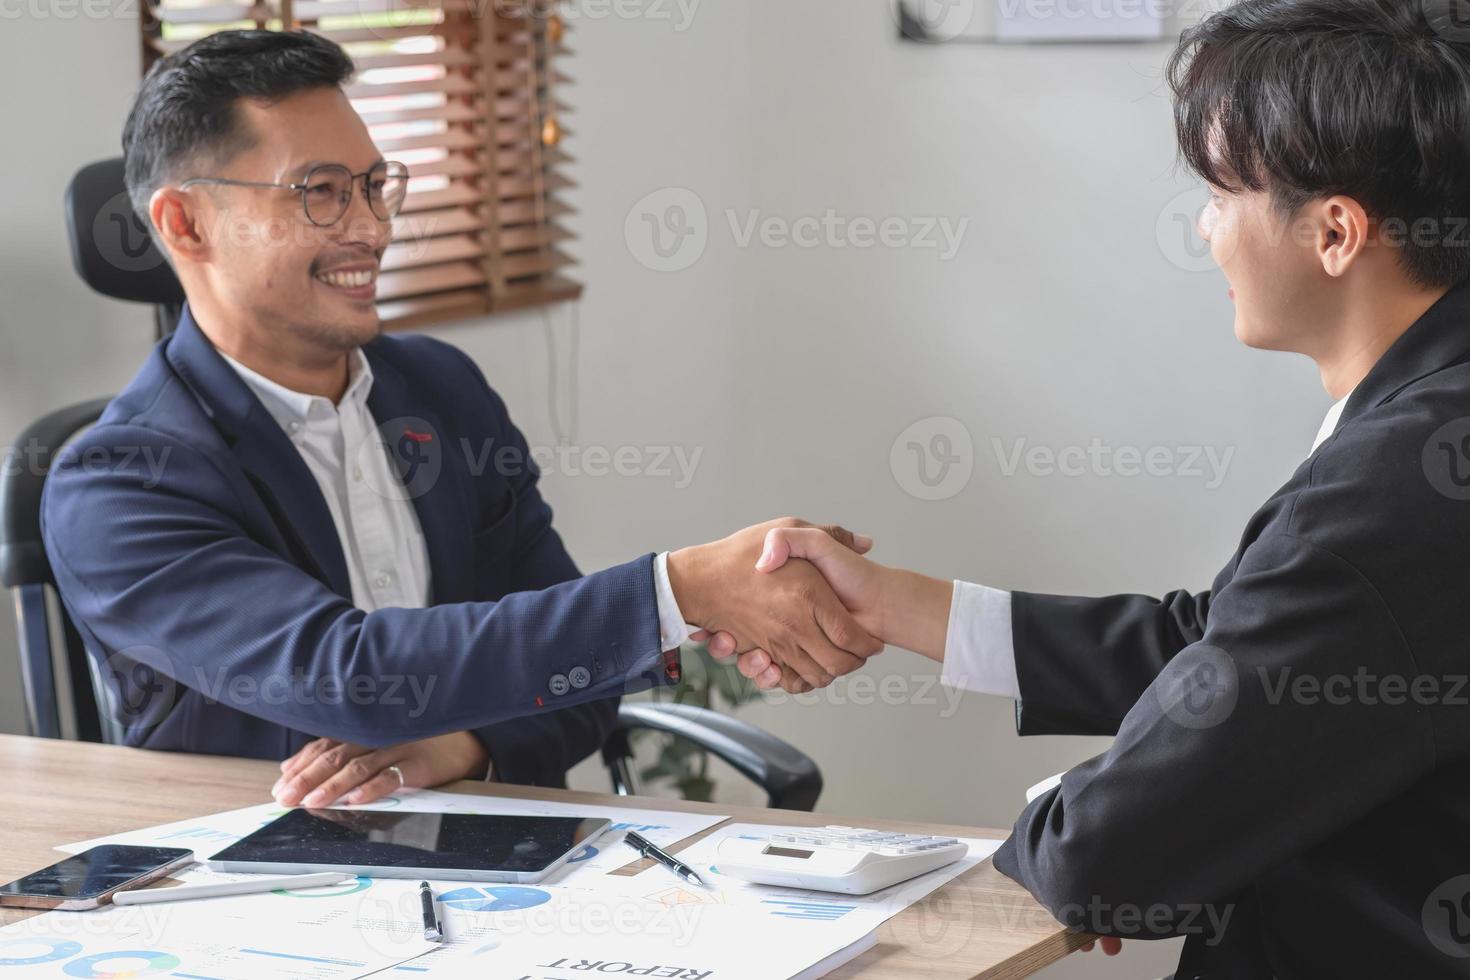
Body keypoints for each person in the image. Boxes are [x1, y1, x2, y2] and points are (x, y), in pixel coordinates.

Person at [733, 0, 1470, 975]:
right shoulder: (1427, 421)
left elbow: (1102, 855)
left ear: (1334, 231)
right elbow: (1233, 643)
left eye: (1221, 192)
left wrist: (1073, 816)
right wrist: (906, 607)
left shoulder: (1389, 494)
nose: (1206, 229)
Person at [41, 29, 879, 808]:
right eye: (322, 194)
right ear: (185, 223)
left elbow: (580, 679)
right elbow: (350, 674)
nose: (371, 228)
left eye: (374, 185)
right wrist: (681, 589)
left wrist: (468, 745)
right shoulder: (116, 484)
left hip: (500, 868)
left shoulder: (440, 392)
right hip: (259, 899)